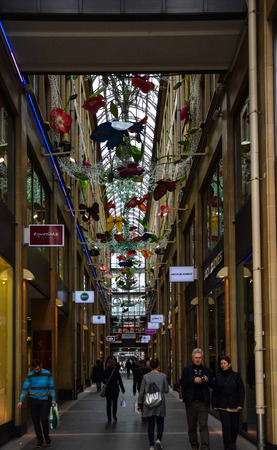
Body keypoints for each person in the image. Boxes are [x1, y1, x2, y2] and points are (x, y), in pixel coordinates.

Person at [180, 348, 214, 450]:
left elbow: (213, 384)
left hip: (203, 402)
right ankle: (194, 446)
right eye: (196, 358)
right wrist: (193, 381)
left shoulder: (208, 371)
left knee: (203, 426)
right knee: (192, 427)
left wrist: (207, 381)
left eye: (199, 358)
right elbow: (182, 383)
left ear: (202, 358)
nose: (198, 360)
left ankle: (205, 447)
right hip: (191, 403)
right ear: (192, 359)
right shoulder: (186, 370)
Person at [17, 359, 56, 448]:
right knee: (35, 421)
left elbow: (51, 386)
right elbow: (25, 388)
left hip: (44, 400)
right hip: (33, 400)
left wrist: (53, 399)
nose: (36, 371)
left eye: (37, 369)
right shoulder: (30, 375)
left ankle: (47, 436)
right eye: (34, 369)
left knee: (44, 419)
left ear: (41, 365)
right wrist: (21, 400)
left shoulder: (47, 373)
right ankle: (39, 440)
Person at [212, 356, 245, 450]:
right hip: (223, 406)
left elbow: (241, 391)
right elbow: (215, 392)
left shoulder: (236, 376)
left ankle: (233, 441)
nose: (222, 365)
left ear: (229, 364)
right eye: (221, 363)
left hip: (234, 406)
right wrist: (214, 405)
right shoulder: (218, 376)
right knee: (226, 427)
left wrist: (240, 404)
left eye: (224, 363)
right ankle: (228, 447)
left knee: (234, 427)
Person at [138, 358, 169, 450]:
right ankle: (158, 439)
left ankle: (151, 445)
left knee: (151, 423)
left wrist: (140, 403)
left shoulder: (145, 376)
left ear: (150, 366)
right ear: (158, 366)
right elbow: (166, 390)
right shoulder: (163, 376)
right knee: (160, 422)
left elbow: (142, 391)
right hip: (160, 401)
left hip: (149, 402)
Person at [102, 358, 125, 422]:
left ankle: (109, 416)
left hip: (108, 389)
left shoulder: (106, 371)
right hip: (115, 388)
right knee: (115, 403)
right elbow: (120, 381)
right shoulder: (116, 371)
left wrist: (106, 382)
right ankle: (114, 415)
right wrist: (123, 389)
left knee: (108, 403)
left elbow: (102, 378)